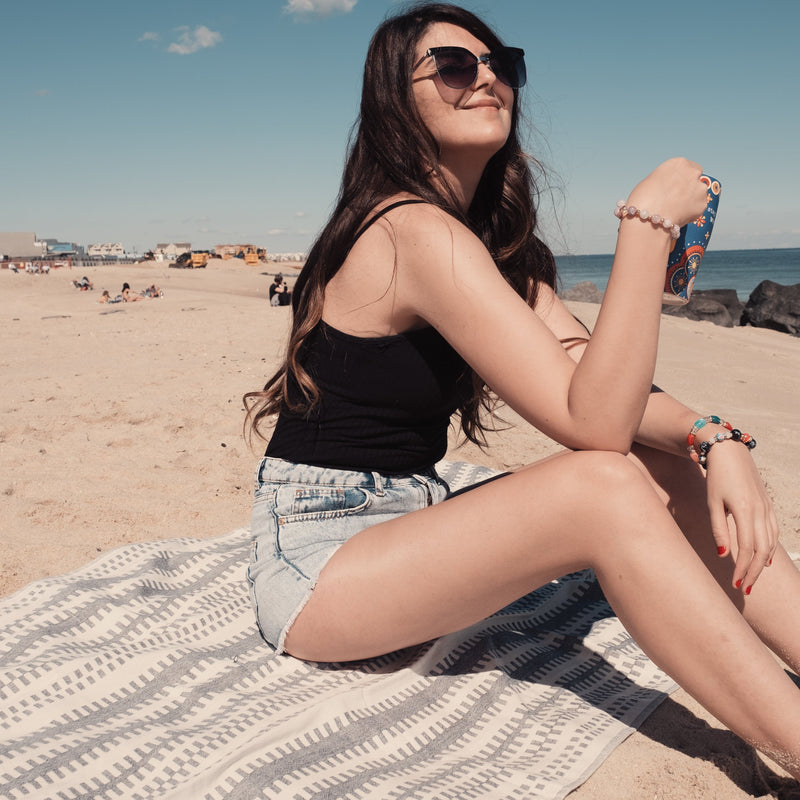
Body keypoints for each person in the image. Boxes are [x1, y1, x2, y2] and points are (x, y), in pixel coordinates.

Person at [244, 2, 800, 781]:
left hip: (412, 518)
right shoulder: (411, 229)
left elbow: (598, 379)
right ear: (394, 98)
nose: (488, 79)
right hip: (318, 559)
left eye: (501, 62)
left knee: (664, 464)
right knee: (604, 480)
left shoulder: (496, 246)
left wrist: (716, 436)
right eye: (455, 66)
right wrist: (646, 228)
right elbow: (593, 425)